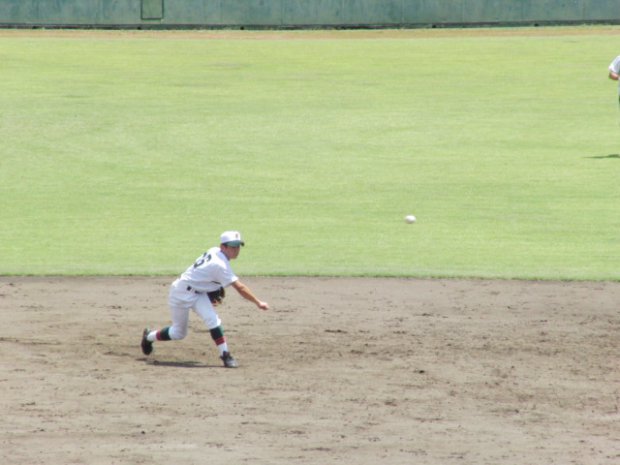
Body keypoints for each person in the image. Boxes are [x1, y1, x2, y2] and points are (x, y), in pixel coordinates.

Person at [141, 231, 269, 368]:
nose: (236, 250)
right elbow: (240, 288)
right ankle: (149, 337)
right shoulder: (220, 265)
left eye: (238, 246)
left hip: (198, 293)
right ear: (223, 247)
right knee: (178, 333)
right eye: (232, 247)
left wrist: (211, 288)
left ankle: (225, 355)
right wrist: (258, 302)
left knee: (213, 320)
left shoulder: (214, 250)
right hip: (180, 292)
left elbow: (203, 274)